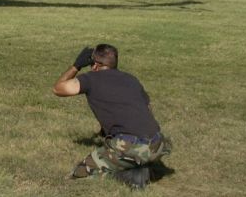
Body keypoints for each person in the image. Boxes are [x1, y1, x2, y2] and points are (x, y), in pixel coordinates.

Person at [52, 44, 172, 189]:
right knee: (130, 152)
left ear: (95, 65)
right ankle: (141, 163)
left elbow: (58, 89)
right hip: (158, 143)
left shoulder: (91, 79)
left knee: (79, 174)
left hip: (132, 146)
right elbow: (147, 109)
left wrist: (76, 66)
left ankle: (134, 176)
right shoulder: (131, 79)